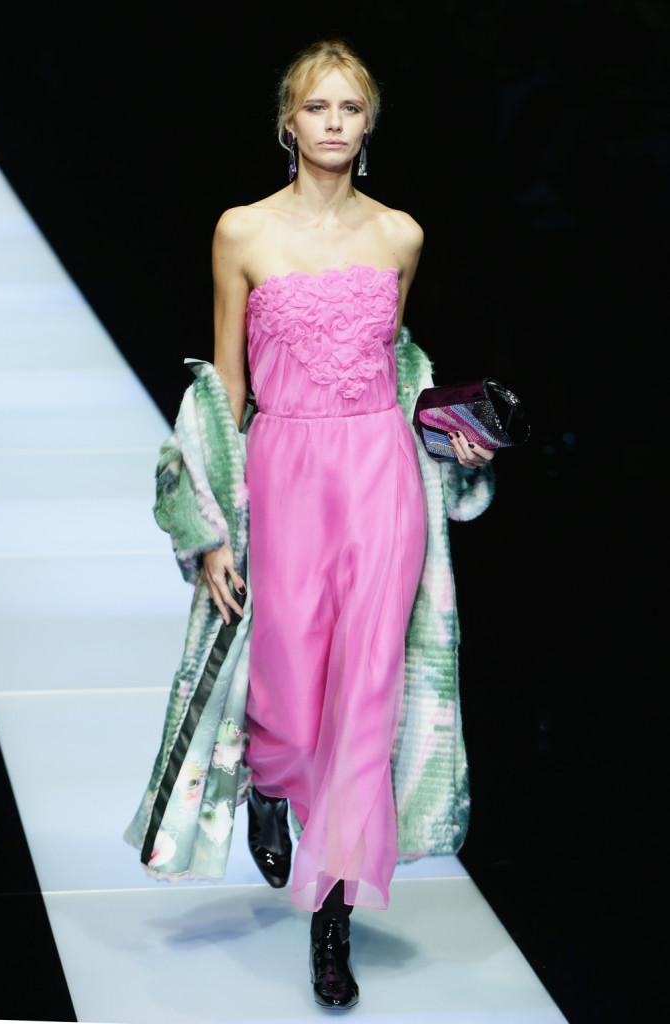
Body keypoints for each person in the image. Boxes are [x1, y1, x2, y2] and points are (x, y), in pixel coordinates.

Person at [125, 39, 495, 1011]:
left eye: (349, 108)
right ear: (286, 123)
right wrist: (210, 527)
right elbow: (224, 389)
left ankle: (331, 922)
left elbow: (396, 365)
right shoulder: (241, 231)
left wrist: (451, 439)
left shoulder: (399, 235)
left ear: (368, 127)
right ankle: (267, 783)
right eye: (316, 107)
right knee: (285, 702)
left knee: (363, 704)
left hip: (379, 477)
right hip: (284, 471)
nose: (333, 123)